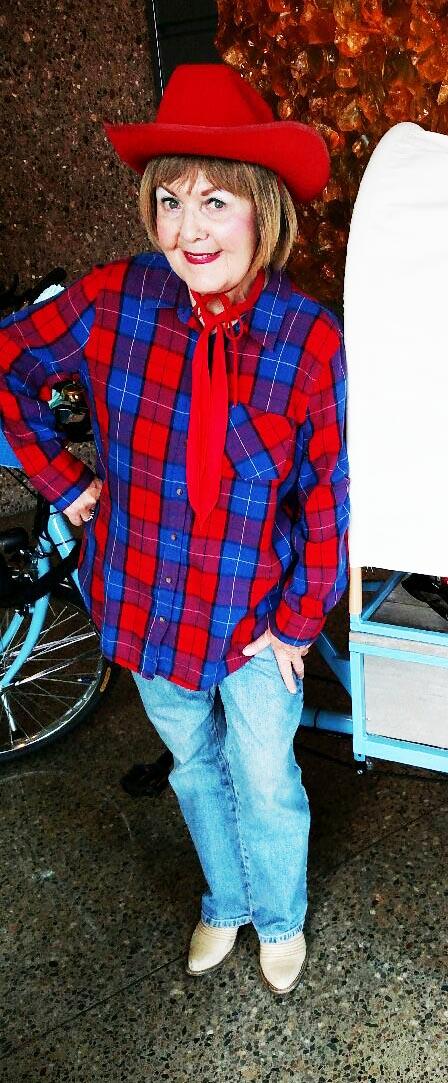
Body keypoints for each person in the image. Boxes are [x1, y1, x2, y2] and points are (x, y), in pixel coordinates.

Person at [0, 63, 350, 996]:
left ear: (262, 209)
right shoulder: (118, 298)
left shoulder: (307, 337)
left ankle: (279, 916)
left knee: (265, 775)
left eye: (214, 200)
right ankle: (226, 900)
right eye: (168, 199)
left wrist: (301, 619)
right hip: (145, 599)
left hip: (253, 618)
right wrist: (61, 477)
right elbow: (7, 361)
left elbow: (326, 493)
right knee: (192, 761)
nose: (187, 227)